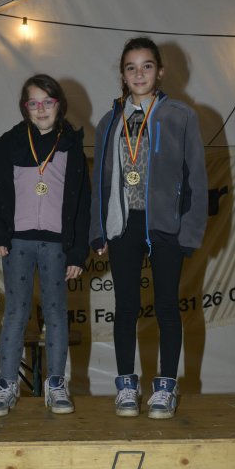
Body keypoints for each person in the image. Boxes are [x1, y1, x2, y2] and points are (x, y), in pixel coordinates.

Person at [89, 37, 208, 419]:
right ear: (122, 75)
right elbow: (100, 180)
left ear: (160, 72)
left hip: (165, 225)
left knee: (167, 306)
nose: (139, 74)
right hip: (123, 224)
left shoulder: (181, 116)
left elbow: (196, 178)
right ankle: (126, 385)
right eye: (131, 67)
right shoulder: (109, 121)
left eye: (146, 66)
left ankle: (165, 387)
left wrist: (189, 232)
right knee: (125, 307)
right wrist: (98, 229)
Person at [0, 74, 90, 417]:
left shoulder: (71, 145)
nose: (41, 109)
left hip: (56, 244)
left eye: (48, 102)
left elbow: (83, 203)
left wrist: (78, 251)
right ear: (24, 107)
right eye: (33, 102)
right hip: (17, 243)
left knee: (56, 313)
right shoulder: (9, 144)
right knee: (16, 312)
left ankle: (56, 384)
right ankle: (6, 384)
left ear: (59, 105)